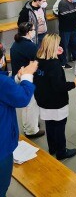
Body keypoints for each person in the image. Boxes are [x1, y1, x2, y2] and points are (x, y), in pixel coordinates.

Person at [33, 34, 76, 160]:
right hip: (56, 102)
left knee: (49, 125)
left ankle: (52, 148)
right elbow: (59, 86)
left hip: (43, 99)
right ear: (53, 46)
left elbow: (58, 64)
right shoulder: (54, 65)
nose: (60, 47)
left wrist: (60, 54)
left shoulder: (38, 59)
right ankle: (61, 152)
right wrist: (74, 83)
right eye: (58, 45)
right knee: (60, 127)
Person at [0, 60, 38, 197]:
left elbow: (5, 89)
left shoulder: (4, 83)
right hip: (2, 147)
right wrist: (28, 75)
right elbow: (22, 98)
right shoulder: (2, 82)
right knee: (2, 186)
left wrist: (16, 79)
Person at [10, 22, 45, 138]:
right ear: (28, 32)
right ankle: (31, 130)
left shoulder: (16, 44)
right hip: (27, 78)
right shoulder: (29, 46)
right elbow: (38, 60)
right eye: (34, 29)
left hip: (18, 77)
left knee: (27, 105)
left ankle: (29, 125)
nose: (35, 31)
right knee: (31, 105)